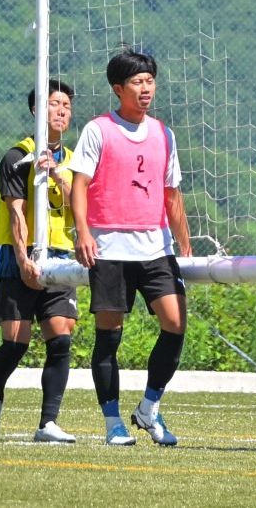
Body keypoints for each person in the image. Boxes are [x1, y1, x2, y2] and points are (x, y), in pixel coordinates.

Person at [67, 48, 193, 448]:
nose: (146, 89)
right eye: (137, 82)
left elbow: (171, 194)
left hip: (156, 248)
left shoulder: (164, 133)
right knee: (109, 337)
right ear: (118, 88)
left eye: (150, 81)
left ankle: (149, 408)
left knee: (175, 323)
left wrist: (185, 245)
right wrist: (83, 233)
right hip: (108, 249)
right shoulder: (98, 130)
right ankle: (112, 423)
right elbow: (79, 186)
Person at [0, 79, 81, 444]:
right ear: (37, 110)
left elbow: (79, 206)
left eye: (66, 105)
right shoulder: (16, 156)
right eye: (54, 104)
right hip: (19, 252)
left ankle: (48, 423)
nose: (61, 111)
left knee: (61, 336)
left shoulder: (74, 161)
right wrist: (23, 259)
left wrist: (55, 173)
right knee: (16, 341)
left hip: (60, 254)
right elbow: (16, 213)